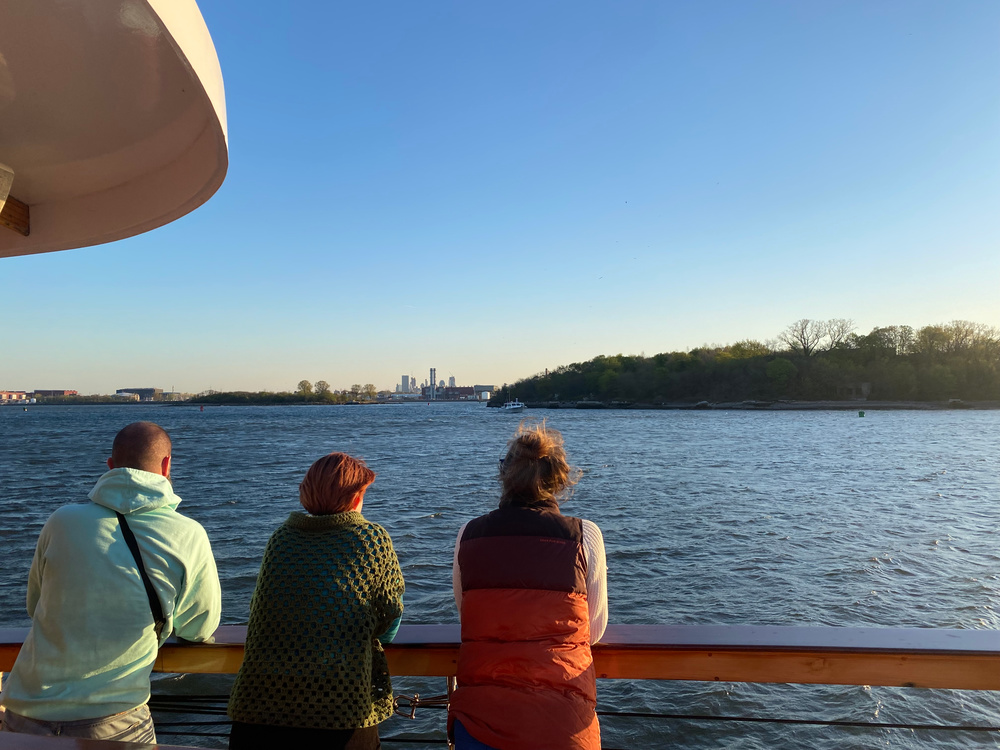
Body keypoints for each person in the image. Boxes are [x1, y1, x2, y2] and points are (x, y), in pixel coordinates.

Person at [0, 421, 222, 742]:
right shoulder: (187, 534)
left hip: (25, 714)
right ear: (166, 465)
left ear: (110, 466)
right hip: (114, 720)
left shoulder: (62, 520)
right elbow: (199, 628)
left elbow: (35, 607)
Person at [228, 452, 404, 750]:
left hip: (261, 708)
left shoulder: (281, 538)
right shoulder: (370, 539)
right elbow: (389, 619)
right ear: (354, 498)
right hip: (341, 712)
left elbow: (261, 611)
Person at [449, 422, 608, 750]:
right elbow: (594, 629)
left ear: (504, 475)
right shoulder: (584, 536)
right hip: (564, 726)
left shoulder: (470, 534)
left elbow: (467, 613)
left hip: (481, 722)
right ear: (559, 478)